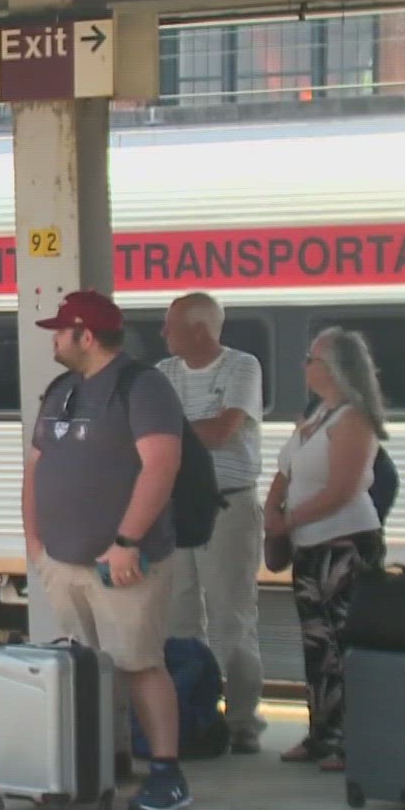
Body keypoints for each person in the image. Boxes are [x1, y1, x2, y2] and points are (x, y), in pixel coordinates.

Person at [24, 290, 192, 810]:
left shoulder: (141, 387)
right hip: (62, 561)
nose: (54, 339)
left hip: (119, 561)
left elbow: (161, 465)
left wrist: (127, 541)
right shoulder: (61, 390)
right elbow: (35, 467)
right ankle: (104, 762)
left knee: (139, 664)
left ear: (86, 335)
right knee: (87, 668)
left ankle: (167, 773)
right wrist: (36, 544)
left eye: (60, 330)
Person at [267, 326, 388, 773]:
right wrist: (272, 515)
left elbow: (344, 489)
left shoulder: (353, 419)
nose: (304, 367)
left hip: (344, 544)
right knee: (317, 644)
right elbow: (286, 470)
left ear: (333, 368)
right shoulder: (316, 417)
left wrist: (289, 520)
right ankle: (322, 732)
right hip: (310, 547)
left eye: (311, 359)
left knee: (345, 642)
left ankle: (352, 739)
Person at [156, 292, 266, 753]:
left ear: (200, 329)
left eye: (171, 324)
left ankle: (242, 722)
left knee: (231, 616)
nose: (163, 333)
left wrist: (172, 430)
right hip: (176, 506)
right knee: (178, 617)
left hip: (229, 505)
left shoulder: (242, 366)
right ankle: (192, 711)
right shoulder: (164, 373)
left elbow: (224, 432)